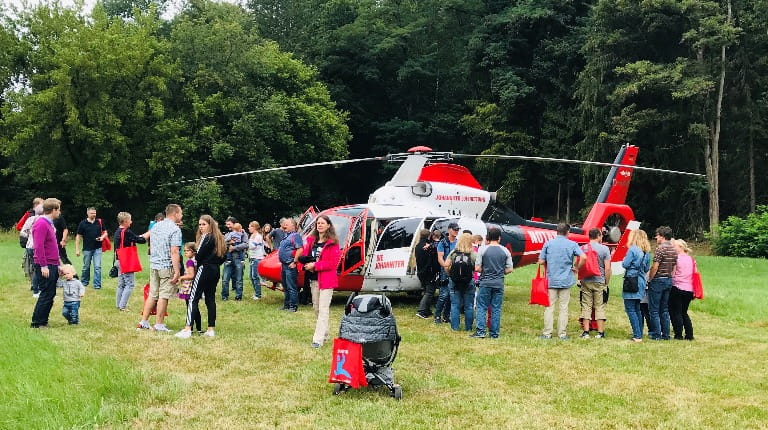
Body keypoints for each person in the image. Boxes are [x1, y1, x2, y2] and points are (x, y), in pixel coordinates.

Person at [175, 215, 227, 339]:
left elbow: (198, 256)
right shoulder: (219, 238)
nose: (201, 227)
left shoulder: (207, 237)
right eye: (199, 224)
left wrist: (202, 258)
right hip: (215, 270)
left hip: (205, 268)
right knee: (210, 298)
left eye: (204, 224)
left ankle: (187, 328)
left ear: (210, 225)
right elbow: (224, 255)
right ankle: (210, 329)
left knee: (193, 298)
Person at [137, 204, 182, 332]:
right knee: (164, 295)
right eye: (181, 213)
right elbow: (174, 251)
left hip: (154, 264)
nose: (182, 216)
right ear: (175, 214)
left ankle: (144, 321)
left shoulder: (156, 226)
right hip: (166, 266)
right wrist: (177, 270)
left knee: (152, 294)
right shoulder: (175, 230)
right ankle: (159, 324)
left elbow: (146, 239)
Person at [538, 223, 585, 340]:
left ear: (556, 231)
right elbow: (584, 257)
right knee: (563, 308)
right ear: (568, 232)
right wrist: (576, 267)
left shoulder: (548, 244)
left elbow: (540, 261)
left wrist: (549, 264)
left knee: (549, 307)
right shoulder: (572, 244)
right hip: (566, 280)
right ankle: (562, 334)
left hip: (552, 279)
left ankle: (547, 333)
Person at [300, 215, 342, 348]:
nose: (319, 225)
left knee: (323, 310)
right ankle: (324, 334)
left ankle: (317, 340)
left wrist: (315, 266)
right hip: (313, 280)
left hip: (327, 281)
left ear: (328, 225)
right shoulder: (311, 241)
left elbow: (333, 263)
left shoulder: (333, 243)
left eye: (322, 223)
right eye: (318, 223)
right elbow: (305, 257)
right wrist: (304, 265)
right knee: (316, 309)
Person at [470, 228, 513, 338]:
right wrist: (499, 271)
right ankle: (494, 333)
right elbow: (510, 269)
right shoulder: (505, 251)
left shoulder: (482, 250)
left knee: (482, 307)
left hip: (485, 282)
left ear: (488, 237)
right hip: (499, 283)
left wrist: (486, 270)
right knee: (496, 308)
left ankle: (480, 332)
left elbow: (477, 268)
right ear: (499, 238)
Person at [30, 198, 62, 328]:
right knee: (46, 293)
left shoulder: (49, 224)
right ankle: (37, 322)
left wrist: (58, 263)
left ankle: (43, 320)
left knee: (50, 293)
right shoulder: (41, 223)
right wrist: (43, 265)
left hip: (52, 263)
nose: (60, 212)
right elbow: (38, 246)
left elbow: (52, 246)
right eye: (59, 209)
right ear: (53, 210)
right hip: (45, 264)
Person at [578, 228, 612, 339]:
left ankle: (586, 332)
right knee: (599, 306)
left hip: (586, 281)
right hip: (599, 280)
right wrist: (606, 281)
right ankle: (600, 332)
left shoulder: (583, 248)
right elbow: (607, 268)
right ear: (598, 236)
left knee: (586, 306)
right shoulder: (605, 249)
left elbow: (579, 264)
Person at [113, 212, 149, 311]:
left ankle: (118, 305)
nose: (131, 222)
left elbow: (135, 237)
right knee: (130, 284)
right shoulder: (127, 231)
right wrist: (149, 233)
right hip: (126, 261)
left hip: (119, 260)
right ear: (125, 221)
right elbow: (140, 240)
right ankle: (122, 306)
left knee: (121, 284)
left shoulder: (118, 231)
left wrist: (142, 235)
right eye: (130, 220)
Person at [621, 230, 652, 342]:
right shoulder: (646, 252)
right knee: (637, 308)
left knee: (630, 308)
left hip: (631, 280)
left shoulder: (633, 249)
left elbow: (625, 264)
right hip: (641, 280)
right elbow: (646, 268)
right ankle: (639, 332)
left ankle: (637, 335)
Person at [647, 226, 676, 340]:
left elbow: (655, 266)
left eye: (657, 235)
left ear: (662, 236)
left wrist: (650, 278)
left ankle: (656, 334)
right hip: (668, 279)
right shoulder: (673, 249)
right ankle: (666, 334)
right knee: (664, 309)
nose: (656, 237)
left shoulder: (660, 249)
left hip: (658, 280)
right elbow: (673, 266)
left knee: (654, 309)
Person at [446, 233, 479, 331]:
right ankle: (468, 328)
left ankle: (455, 327)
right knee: (469, 306)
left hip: (454, 281)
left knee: (455, 305)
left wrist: (450, 274)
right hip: (468, 281)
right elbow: (478, 267)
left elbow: (446, 265)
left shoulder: (454, 253)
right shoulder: (473, 254)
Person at [75, 207, 108, 289]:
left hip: (98, 248)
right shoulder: (83, 223)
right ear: (87, 213)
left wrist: (102, 237)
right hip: (87, 249)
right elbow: (78, 236)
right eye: (92, 213)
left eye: (95, 213)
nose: (94, 215)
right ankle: (84, 282)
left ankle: (97, 285)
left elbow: (105, 232)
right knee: (86, 266)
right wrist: (77, 249)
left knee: (97, 267)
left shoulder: (99, 222)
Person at [670, 239, 696, 340]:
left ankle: (678, 335)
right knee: (684, 312)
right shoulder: (692, 259)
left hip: (677, 287)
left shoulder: (676, 258)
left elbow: (672, 274)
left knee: (676, 312)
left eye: (675, 246)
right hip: (689, 289)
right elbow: (695, 274)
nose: (673, 248)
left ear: (681, 247)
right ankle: (689, 335)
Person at [435, 223, 460, 324]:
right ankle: (437, 315)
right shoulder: (443, 242)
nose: (456, 231)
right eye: (455, 229)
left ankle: (446, 316)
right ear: (449, 230)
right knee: (443, 294)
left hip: (455, 271)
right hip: (445, 270)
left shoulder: (458, 243)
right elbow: (440, 257)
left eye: (458, 229)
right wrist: (446, 267)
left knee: (452, 295)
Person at [278, 218, 303, 312]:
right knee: (285, 286)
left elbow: (300, 249)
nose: (284, 226)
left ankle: (293, 306)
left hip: (290, 265)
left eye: (287, 224)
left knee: (291, 286)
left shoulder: (295, 236)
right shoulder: (287, 236)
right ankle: (287, 305)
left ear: (293, 226)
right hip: (284, 265)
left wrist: (295, 262)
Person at [177, 242, 201, 333]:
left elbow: (191, 275)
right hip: (194, 285)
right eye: (184, 251)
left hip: (189, 286)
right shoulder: (196, 260)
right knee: (195, 306)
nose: (185, 252)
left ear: (193, 251)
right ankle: (198, 327)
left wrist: (181, 277)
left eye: (187, 251)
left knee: (190, 306)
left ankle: (189, 325)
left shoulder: (190, 262)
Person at [222, 217, 248, 301]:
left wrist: (234, 247)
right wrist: (229, 243)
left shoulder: (243, 233)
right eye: (227, 224)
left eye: (229, 224)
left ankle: (238, 296)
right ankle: (224, 296)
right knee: (225, 279)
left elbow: (246, 245)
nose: (227, 226)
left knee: (239, 279)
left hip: (238, 258)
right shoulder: (227, 234)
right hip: (228, 258)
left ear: (234, 224)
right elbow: (223, 244)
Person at [20, 202, 44, 297]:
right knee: (39, 268)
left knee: (36, 268)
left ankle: (37, 289)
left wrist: (30, 238)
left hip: (30, 246)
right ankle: (37, 290)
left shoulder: (30, 219)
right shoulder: (43, 220)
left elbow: (22, 232)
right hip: (37, 247)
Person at [415, 229, 439, 319]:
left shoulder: (417, 246)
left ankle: (427, 310)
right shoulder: (428, 246)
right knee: (429, 292)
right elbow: (431, 260)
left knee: (426, 290)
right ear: (429, 236)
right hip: (428, 272)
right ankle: (422, 311)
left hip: (420, 271)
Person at [247, 221, 266, 300]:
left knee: (255, 276)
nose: (249, 228)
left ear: (254, 227)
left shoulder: (258, 236)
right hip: (252, 257)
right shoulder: (252, 236)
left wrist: (248, 241)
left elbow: (252, 247)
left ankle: (258, 294)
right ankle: (256, 293)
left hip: (257, 258)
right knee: (251, 276)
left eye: (250, 226)